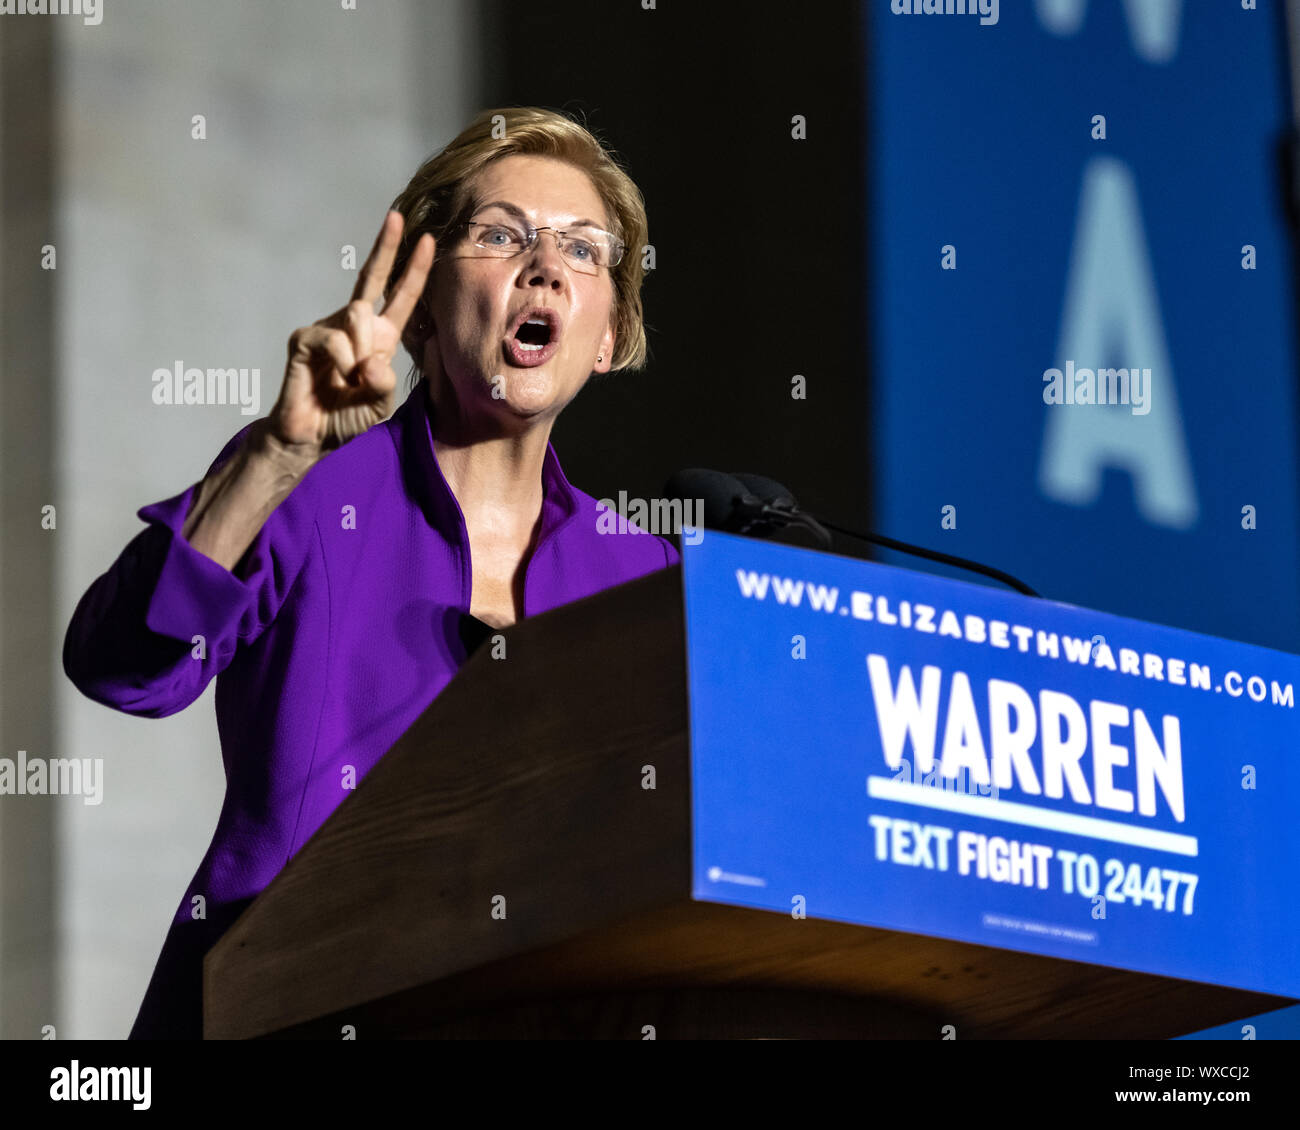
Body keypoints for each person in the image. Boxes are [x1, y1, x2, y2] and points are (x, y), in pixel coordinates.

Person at [62, 106, 679, 1039]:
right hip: (275, 1008)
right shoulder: (311, 483)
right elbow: (124, 668)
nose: (545, 264)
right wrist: (272, 454)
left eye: (584, 250)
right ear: (422, 301)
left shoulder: (642, 573)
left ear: (607, 335)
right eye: (501, 234)